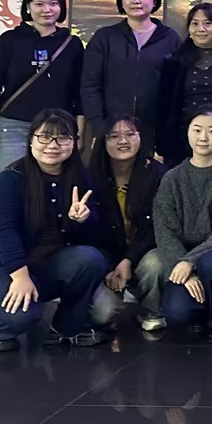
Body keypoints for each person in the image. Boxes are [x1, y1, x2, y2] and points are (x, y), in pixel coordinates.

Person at [0, 109, 108, 352]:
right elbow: (4, 231)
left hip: (45, 266)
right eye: (44, 137)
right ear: (31, 139)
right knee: (22, 316)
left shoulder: (78, 176)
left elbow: (89, 236)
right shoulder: (11, 179)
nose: (53, 145)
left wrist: (82, 220)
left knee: (90, 259)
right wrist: (19, 276)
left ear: (74, 142)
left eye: (62, 137)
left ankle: (66, 327)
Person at [150, 105, 212, 342]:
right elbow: (165, 231)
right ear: (188, 132)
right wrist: (185, 268)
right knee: (177, 313)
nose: (203, 137)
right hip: (184, 259)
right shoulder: (172, 178)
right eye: (197, 130)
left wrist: (190, 261)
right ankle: (201, 311)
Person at [0, 0, 84, 169]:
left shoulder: (72, 44)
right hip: (14, 127)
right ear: (28, 7)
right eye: (39, 4)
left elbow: (80, 92)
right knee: (11, 181)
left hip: (59, 129)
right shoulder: (9, 40)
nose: (47, 9)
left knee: (54, 184)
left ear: (61, 7)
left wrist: (80, 133)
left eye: (53, 4)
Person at [85, 113, 169, 331]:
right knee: (101, 315)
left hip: (144, 252)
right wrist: (110, 266)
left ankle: (151, 309)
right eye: (114, 136)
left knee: (155, 262)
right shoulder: (89, 177)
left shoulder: (158, 175)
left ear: (141, 138)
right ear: (102, 141)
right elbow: (89, 234)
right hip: (108, 258)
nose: (123, 141)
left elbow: (159, 227)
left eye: (130, 134)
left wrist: (128, 260)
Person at [80, 0, 180, 151]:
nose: (136, 0)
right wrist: (98, 126)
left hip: (155, 133)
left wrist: (168, 131)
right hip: (111, 130)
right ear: (121, 1)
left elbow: (176, 89)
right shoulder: (104, 38)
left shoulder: (170, 39)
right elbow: (90, 85)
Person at [157, 1, 212, 165]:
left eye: (207, 23)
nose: (201, 29)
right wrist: (161, 143)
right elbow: (163, 106)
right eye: (195, 24)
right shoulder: (173, 61)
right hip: (180, 141)